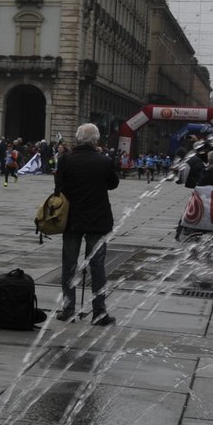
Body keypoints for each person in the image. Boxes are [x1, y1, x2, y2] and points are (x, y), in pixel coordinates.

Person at [53, 122, 118, 326]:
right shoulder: (104, 161)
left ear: (78, 139)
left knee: (69, 265)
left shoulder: (65, 160)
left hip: (72, 220)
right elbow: (113, 184)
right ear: (96, 140)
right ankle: (99, 312)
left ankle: (69, 310)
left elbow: (58, 187)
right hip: (98, 221)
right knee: (98, 267)